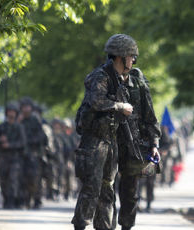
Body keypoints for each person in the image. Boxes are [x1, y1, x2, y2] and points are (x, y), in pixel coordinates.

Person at [71, 34, 136, 230]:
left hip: (110, 141)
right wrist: (119, 106)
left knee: (108, 189)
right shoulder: (100, 76)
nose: (133, 60)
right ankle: (81, 224)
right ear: (119, 57)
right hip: (94, 142)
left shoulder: (122, 81)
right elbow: (96, 102)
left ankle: (105, 227)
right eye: (131, 56)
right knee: (91, 188)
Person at [114, 44, 161, 229]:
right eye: (130, 56)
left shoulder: (138, 82)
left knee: (130, 192)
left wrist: (154, 144)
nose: (133, 60)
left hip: (132, 143)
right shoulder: (104, 79)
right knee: (106, 189)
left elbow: (150, 117)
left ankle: (126, 226)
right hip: (108, 142)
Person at [0, 103, 26, 209]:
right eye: (9, 111)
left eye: (13, 111)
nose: (11, 114)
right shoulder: (1, 127)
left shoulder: (19, 127)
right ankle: (5, 199)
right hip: (3, 158)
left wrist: (10, 145)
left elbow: (22, 143)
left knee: (13, 180)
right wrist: (0, 140)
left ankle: (12, 200)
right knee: (3, 179)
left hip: (15, 159)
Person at [19, 97, 48, 209]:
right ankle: (23, 200)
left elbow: (41, 137)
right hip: (21, 153)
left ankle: (37, 200)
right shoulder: (19, 120)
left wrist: (29, 140)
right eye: (24, 107)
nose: (26, 109)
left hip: (34, 153)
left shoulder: (35, 120)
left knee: (35, 177)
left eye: (28, 107)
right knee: (22, 177)